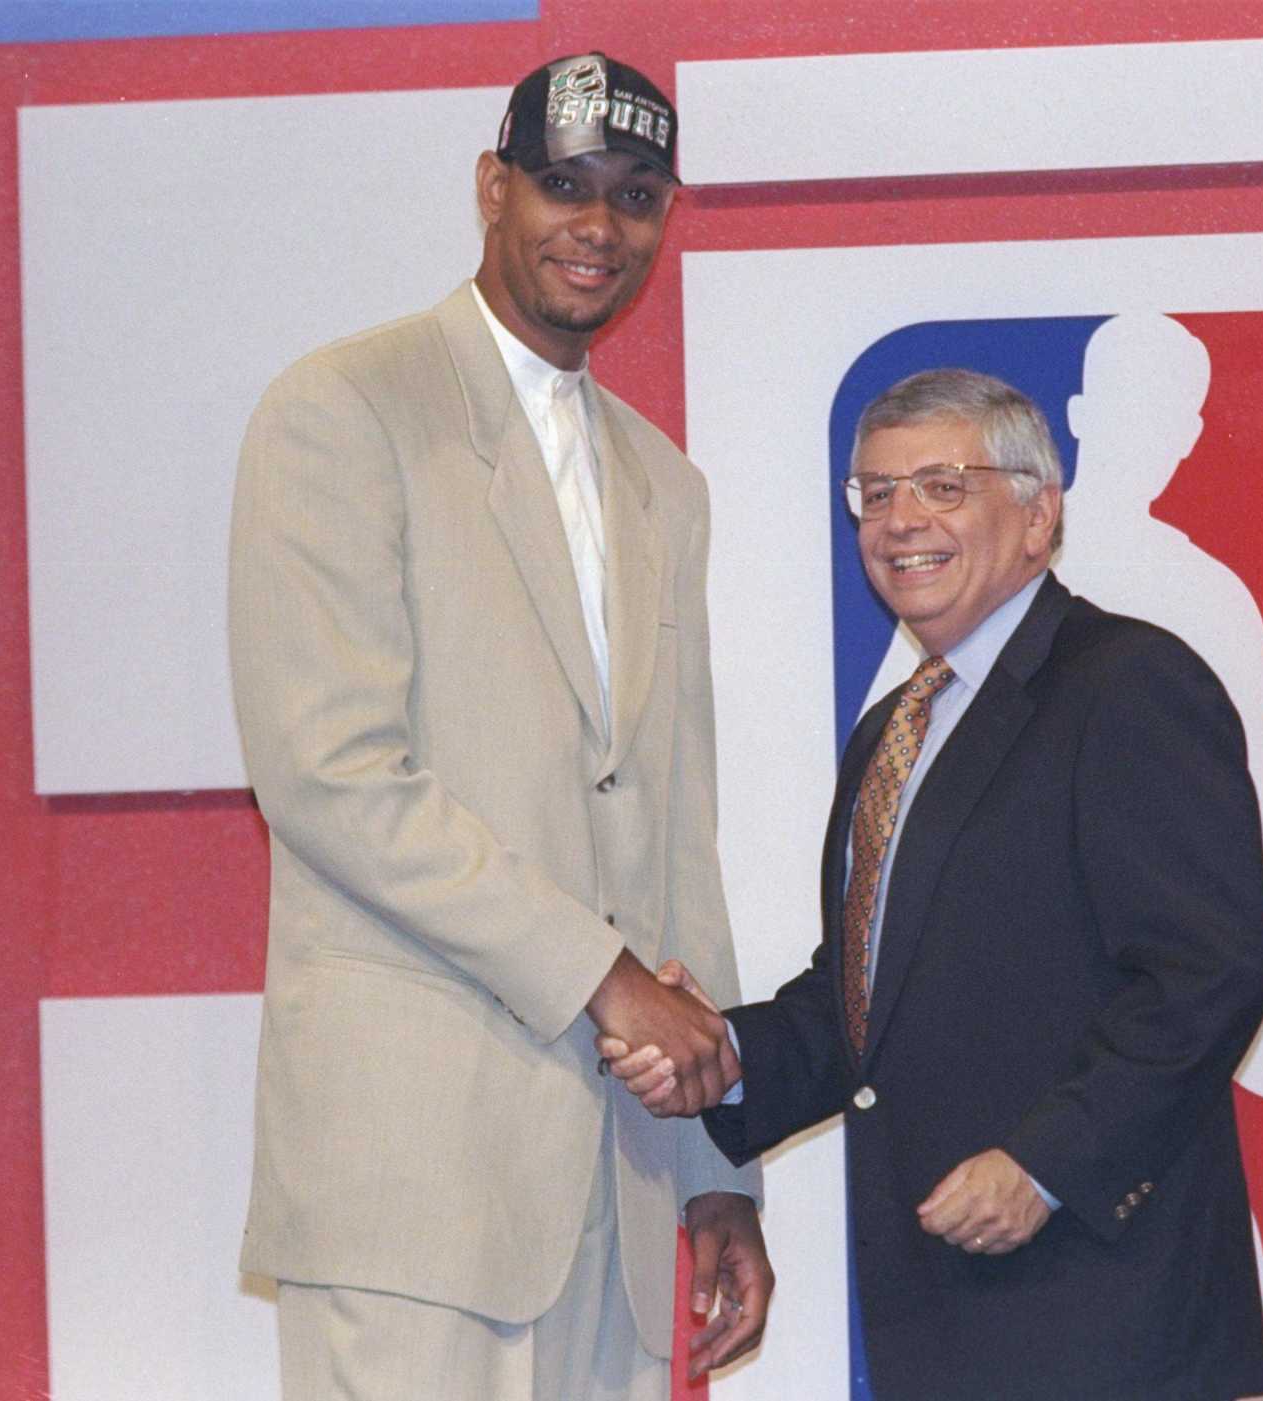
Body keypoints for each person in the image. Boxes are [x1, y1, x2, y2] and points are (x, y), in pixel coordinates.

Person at [228, 52, 771, 1401]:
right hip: (413, 1169)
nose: (599, 226)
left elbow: (673, 832)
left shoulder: (667, 486)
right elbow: (332, 776)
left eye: (635, 195)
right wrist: (604, 976)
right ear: (493, 188)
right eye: (564, 186)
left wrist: (717, 1165)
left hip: (626, 1180)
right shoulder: (345, 411)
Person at [603, 369, 1263, 1398]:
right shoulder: (894, 732)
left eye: (940, 486)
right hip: (940, 1325)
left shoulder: (1126, 683)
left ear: (1036, 515)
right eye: (873, 494)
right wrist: (723, 1054)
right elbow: (865, 1007)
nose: (898, 521)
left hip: (1112, 1325)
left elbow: (1210, 970)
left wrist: (1045, 1164)